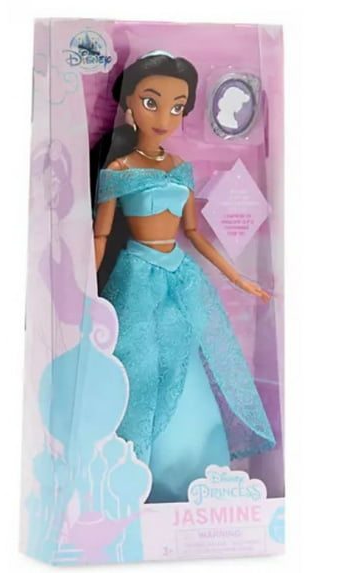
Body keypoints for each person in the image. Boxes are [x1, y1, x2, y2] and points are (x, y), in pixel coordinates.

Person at [91, 51, 275, 503]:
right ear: (128, 104)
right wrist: (83, 296)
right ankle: (136, 471)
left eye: (176, 107)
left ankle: (195, 469)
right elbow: (100, 235)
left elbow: (192, 233)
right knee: (140, 367)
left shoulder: (180, 168)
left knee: (188, 365)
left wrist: (238, 279)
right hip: (136, 280)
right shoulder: (118, 170)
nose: (165, 118)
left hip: (180, 277)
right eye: (151, 103)